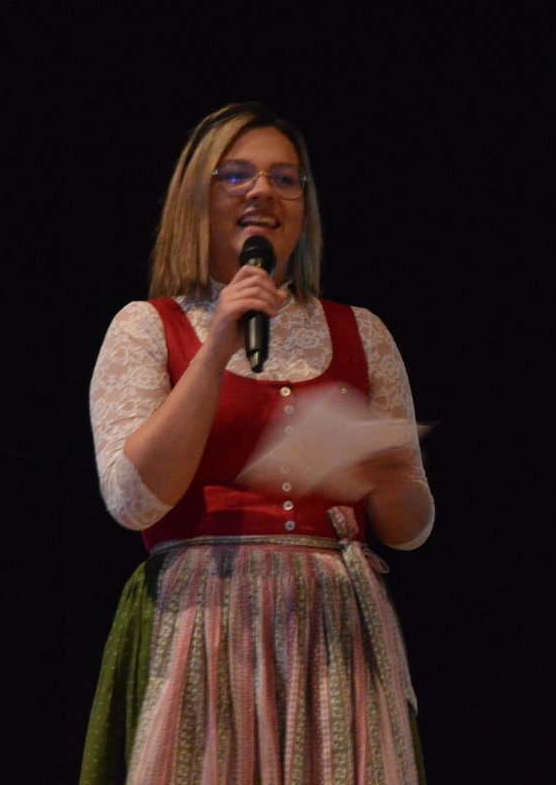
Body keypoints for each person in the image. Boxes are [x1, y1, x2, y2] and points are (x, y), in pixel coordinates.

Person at [80, 103, 433, 785]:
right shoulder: (146, 327)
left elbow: (412, 530)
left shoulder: (362, 332)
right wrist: (218, 343)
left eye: (284, 178)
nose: (263, 192)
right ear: (197, 198)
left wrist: (389, 477)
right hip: (203, 631)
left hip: (334, 638)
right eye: (236, 175)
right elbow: (133, 503)